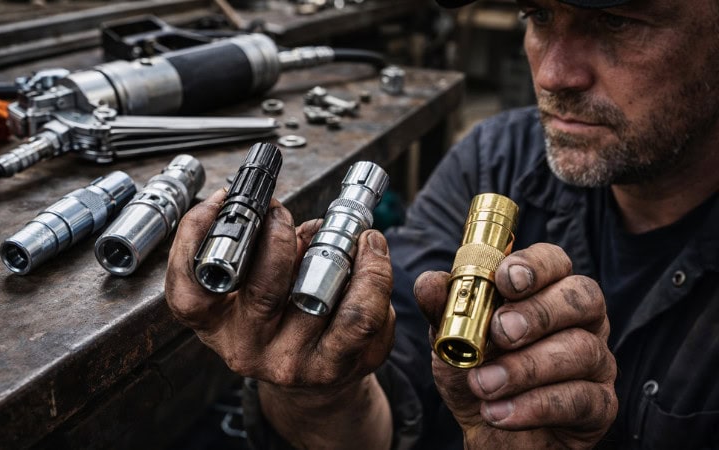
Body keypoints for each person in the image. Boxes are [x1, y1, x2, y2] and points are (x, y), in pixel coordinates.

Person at [165, 0, 719, 448]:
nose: (553, 73)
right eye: (539, 14)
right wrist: (318, 392)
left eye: (617, 19)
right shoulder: (497, 160)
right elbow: (384, 404)